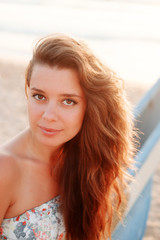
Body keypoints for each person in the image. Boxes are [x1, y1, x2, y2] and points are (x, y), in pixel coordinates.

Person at [0, 33, 135, 240]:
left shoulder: (82, 160)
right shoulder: (5, 169)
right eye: (39, 96)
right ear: (28, 92)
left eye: (68, 101)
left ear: (89, 107)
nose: (48, 116)